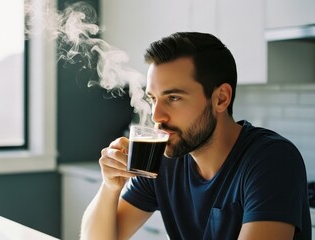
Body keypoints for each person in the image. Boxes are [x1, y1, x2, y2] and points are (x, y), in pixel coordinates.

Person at [80, 32, 311, 240]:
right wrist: (110, 186)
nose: (156, 116)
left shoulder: (271, 160)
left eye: (173, 98)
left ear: (221, 98)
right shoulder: (162, 160)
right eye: (153, 99)